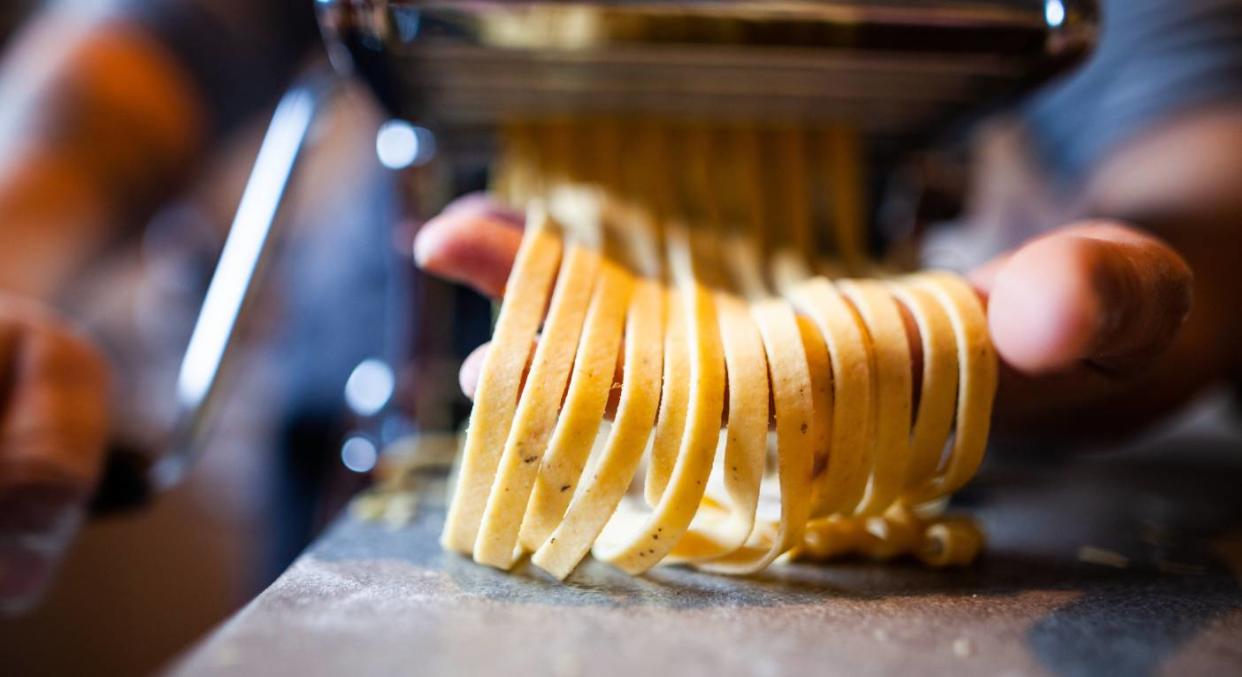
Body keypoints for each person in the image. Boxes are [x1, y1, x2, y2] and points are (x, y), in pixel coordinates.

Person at [1, 0, 1240, 612]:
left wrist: (1132, 297)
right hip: (404, 395)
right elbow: (124, 64)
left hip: (912, 438)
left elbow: (1199, 135)